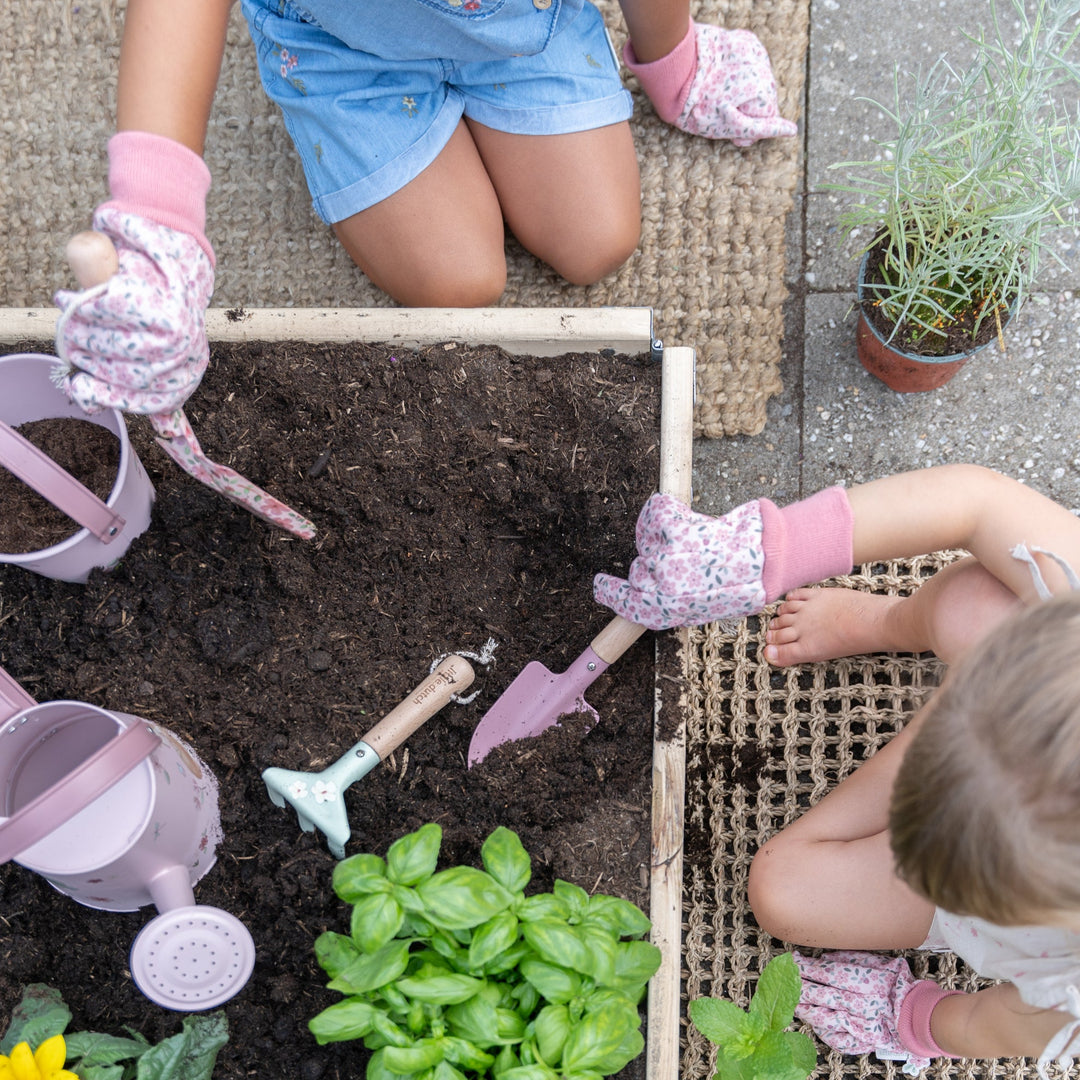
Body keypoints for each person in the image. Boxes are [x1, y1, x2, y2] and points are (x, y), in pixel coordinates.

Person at [52, 0, 796, 420]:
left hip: (516, 30)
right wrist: (156, 216)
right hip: (342, 42)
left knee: (595, 241)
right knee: (456, 287)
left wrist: (671, 56)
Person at [592, 464, 1080, 1075]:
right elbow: (977, 503)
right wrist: (763, 555)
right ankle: (880, 622)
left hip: (991, 893)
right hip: (1017, 706)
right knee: (973, 605)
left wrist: (910, 1019)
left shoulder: (1069, 984)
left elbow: (1000, 1024)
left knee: (784, 890)